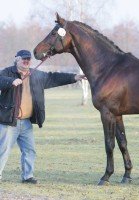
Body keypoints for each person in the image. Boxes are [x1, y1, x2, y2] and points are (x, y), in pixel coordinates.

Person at [0, 50, 85, 184]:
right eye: (24, 58)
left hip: (26, 122)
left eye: (29, 59)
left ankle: (27, 177)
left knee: (30, 151)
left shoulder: (35, 74)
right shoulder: (7, 72)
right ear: (16, 59)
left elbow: (54, 78)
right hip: (10, 122)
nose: (27, 61)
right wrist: (11, 81)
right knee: (3, 150)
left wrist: (74, 77)